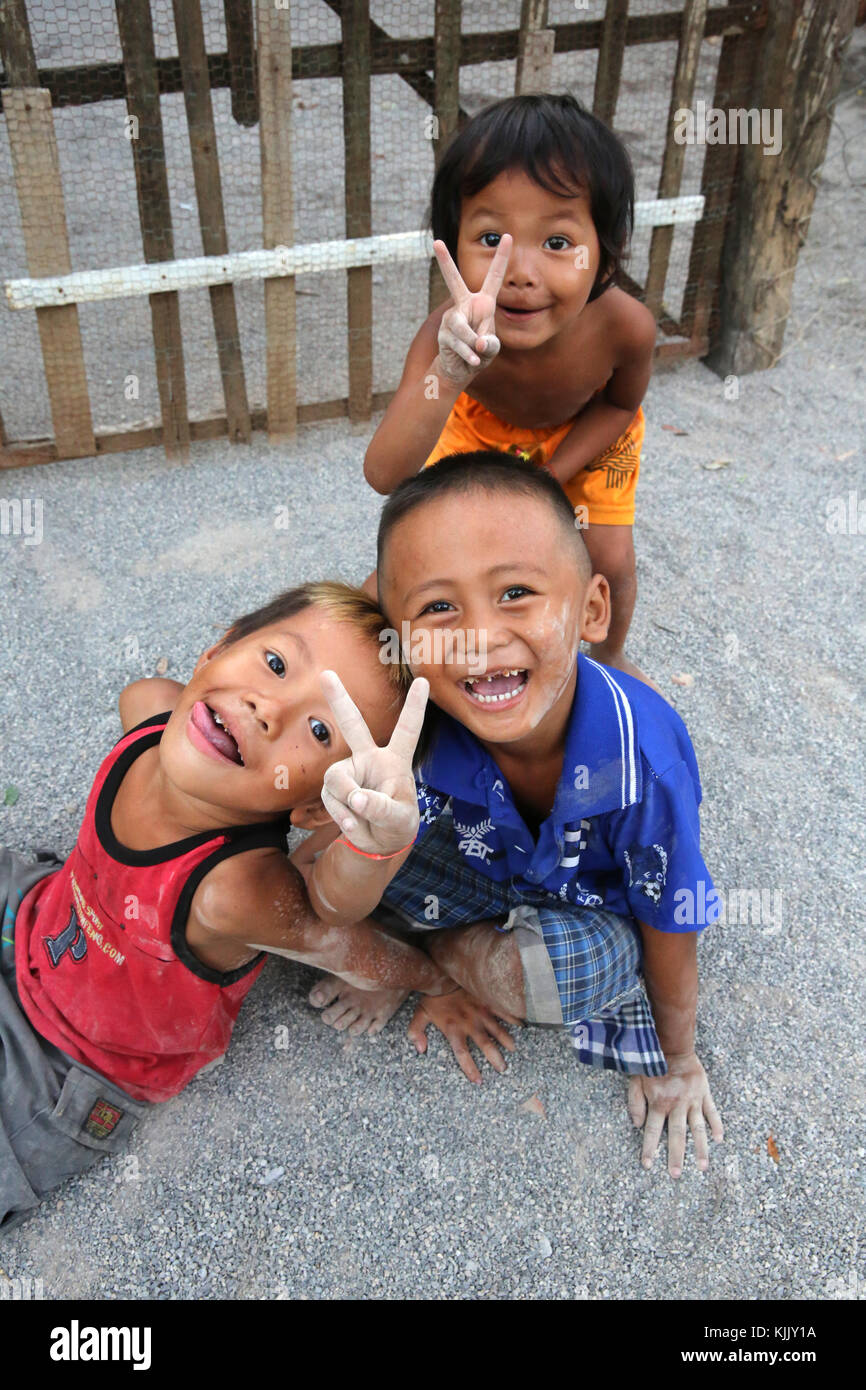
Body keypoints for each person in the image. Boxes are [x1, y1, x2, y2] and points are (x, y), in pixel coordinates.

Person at [311, 455, 723, 1177]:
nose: (477, 636)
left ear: (592, 610)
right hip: (467, 859)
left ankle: (431, 957)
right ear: (400, 642)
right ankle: (424, 959)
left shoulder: (641, 761)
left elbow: (669, 914)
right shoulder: (412, 724)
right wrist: (363, 838)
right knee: (321, 853)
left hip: (581, 903)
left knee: (571, 978)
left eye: (516, 593)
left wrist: (676, 1057)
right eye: (438, 607)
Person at [0, 580, 452, 1231]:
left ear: (305, 809)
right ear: (215, 649)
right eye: (274, 663)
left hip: (70, 1065)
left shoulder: (234, 892)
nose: (268, 709)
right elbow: (143, 695)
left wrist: (442, 980)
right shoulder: (152, 717)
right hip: (35, 913)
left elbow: (347, 942)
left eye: (320, 729)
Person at [363, 93, 657, 682]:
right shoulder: (442, 338)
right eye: (491, 239)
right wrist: (446, 374)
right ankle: (385, 672)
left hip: (590, 432)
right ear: (450, 246)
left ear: (603, 258)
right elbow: (385, 475)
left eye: (556, 243)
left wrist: (550, 478)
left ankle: (611, 653)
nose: (520, 272)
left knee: (609, 556)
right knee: (404, 563)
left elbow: (622, 405)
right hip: (476, 420)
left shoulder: (627, 327)